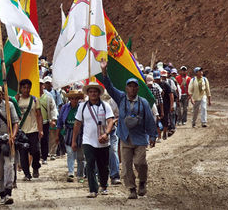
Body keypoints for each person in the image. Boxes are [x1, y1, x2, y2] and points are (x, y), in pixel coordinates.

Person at [100, 60, 158, 199]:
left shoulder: (143, 102)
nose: (132, 89)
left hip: (140, 137)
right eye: (129, 86)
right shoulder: (121, 98)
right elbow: (109, 86)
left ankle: (142, 182)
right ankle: (132, 188)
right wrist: (104, 71)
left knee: (140, 162)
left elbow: (149, 120)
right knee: (126, 167)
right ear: (126, 88)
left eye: (134, 87)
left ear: (137, 89)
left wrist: (153, 136)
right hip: (125, 137)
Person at [71, 82, 115, 198]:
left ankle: (104, 185)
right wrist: (74, 141)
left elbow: (110, 121)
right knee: (89, 164)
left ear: (99, 93)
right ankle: (93, 189)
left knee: (103, 165)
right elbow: (77, 124)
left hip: (103, 141)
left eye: (95, 91)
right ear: (88, 93)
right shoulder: (83, 106)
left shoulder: (105, 106)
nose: (93, 93)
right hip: (88, 141)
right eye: (90, 92)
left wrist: (106, 133)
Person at [14, 79, 43, 180]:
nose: (26, 90)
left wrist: (40, 129)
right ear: (20, 88)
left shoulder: (35, 100)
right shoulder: (16, 100)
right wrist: (15, 100)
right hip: (21, 131)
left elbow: (39, 115)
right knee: (23, 153)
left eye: (28, 87)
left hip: (33, 130)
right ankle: (27, 174)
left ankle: (35, 166)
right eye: (24, 87)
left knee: (35, 151)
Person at [58, 90, 85, 183]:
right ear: (69, 99)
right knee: (70, 152)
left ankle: (81, 174)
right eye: (72, 98)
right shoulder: (65, 108)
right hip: (68, 131)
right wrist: (58, 133)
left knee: (81, 155)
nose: (74, 100)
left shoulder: (82, 107)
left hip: (81, 132)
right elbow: (60, 120)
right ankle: (71, 172)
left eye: (76, 98)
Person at [43, 76, 62, 160]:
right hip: (45, 116)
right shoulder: (43, 93)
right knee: (46, 134)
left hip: (54, 115)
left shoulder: (56, 93)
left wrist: (59, 116)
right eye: (46, 83)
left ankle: (53, 152)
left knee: (54, 134)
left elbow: (59, 105)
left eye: (49, 82)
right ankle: (45, 152)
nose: (48, 84)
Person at [158, 70, 174, 140]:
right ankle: (159, 135)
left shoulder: (166, 84)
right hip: (157, 105)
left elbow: (171, 95)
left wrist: (171, 105)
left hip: (166, 105)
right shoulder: (153, 85)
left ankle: (164, 132)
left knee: (165, 119)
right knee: (157, 119)